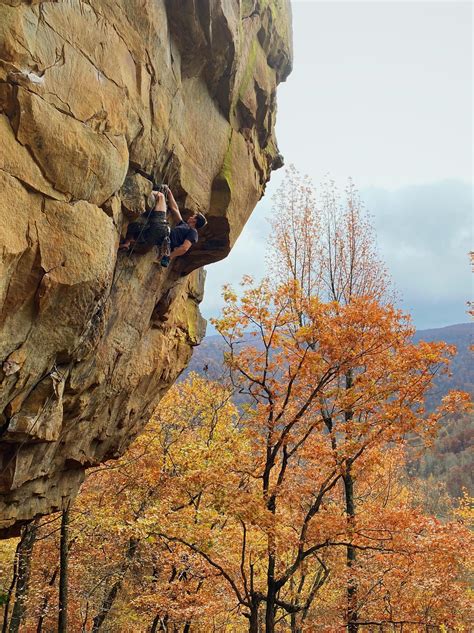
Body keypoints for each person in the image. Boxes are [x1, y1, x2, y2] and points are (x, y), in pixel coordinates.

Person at [119, 186, 207, 267]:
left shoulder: (193, 232)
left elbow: (184, 248)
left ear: (194, 221)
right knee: (134, 227)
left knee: (160, 196)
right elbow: (175, 209)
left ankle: (143, 189)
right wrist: (169, 193)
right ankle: (127, 243)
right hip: (156, 239)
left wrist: (169, 257)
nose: (191, 217)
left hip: (162, 230)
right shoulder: (184, 225)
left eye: (193, 216)